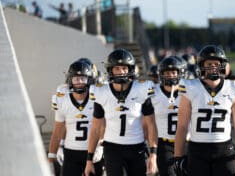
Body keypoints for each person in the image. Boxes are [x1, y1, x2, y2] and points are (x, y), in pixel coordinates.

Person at [174, 45, 235, 176]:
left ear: (222, 65)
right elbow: (182, 126)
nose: (213, 67)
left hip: (224, 149)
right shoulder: (190, 87)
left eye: (216, 63)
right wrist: (178, 156)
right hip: (197, 150)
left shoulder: (233, 86)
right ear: (201, 65)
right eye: (209, 63)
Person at [84, 48, 158, 176]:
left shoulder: (141, 89)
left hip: (137, 147)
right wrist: (89, 160)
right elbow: (96, 128)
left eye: (124, 68)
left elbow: (151, 124)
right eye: (117, 68)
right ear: (110, 70)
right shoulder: (102, 92)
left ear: (130, 69)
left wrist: (153, 154)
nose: (121, 72)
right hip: (112, 148)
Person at [48, 60, 104, 176]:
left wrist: (101, 146)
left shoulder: (98, 97)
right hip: (71, 153)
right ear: (70, 80)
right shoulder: (62, 99)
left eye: (83, 78)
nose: (79, 82)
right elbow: (58, 130)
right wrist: (52, 155)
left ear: (89, 79)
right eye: (75, 79)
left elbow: (105, 126)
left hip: (92, 152)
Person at [152, 56, 186, 176]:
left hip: (186, 143)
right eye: (167, 72)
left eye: (173, 72)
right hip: (165, 144)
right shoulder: (153, 92)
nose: (171, 75)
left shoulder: (188, 91)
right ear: (161, 74)